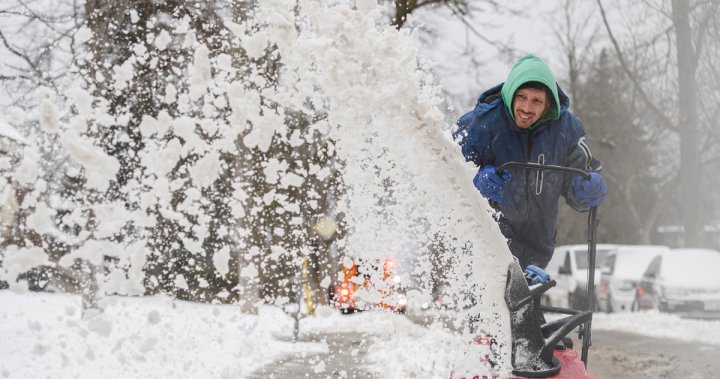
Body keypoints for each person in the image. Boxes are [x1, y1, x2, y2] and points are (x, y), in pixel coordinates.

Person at [454, 54, 607, 269]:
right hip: (483, 248)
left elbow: (578, 179)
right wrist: (476, 180)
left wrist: (585, 188)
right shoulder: (481, 124)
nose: (527, 108)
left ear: (548, 104)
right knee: (494, 298)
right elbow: (447, 174)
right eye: (522, 97)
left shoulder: (566, 130)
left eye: (536, 101)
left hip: (537, 252)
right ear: (511, 94)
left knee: (525, 300)